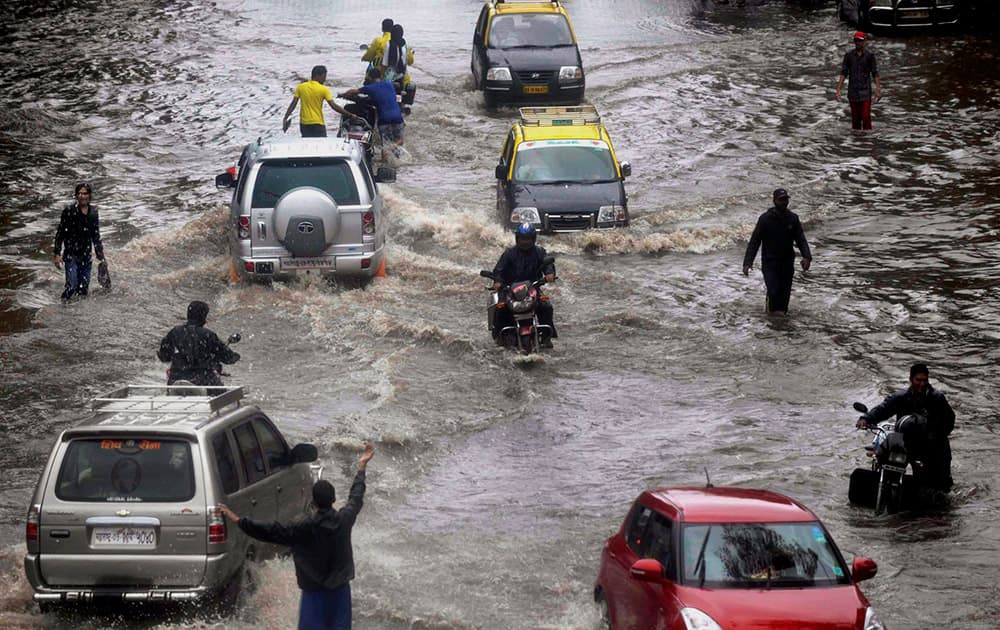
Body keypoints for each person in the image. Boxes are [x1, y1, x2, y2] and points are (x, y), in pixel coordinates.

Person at [218, 444, 375, 630]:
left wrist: (238, 520)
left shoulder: (302, 528)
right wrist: (362, 467)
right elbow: (356, 498)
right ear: (333, 500)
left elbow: (270, 531)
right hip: (340, 591)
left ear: (313, 502)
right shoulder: (344, 520)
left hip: (313, 595)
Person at [856, 363, 955, 492]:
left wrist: (936, 434)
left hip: (931, 443)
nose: (922, 383)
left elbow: (949, 421)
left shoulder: (937, 398)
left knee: (940, 485)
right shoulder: (900, 397)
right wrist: (866, 419)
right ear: (911, 379)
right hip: (905, 441)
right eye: (918, 380)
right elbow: (883, 409)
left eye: (924, 380)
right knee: (887, 459)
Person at [742, 188, 812, 315]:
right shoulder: (765, 219)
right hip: (770, 263)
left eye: (786, 199)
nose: (784, 202)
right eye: (781, 200)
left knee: (784, 296)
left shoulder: (793, 218)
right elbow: (754, 242)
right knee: (773, 291)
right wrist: (748, 263)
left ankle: (781, 325)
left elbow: (801, 239)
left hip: (787, 262)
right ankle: (770, 316)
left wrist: (807, 257)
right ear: (774, 201)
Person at [491, 223, 557, 347]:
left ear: (533, 239)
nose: (525, 242)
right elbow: (499, 270)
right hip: (510, 290)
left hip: (532, 289)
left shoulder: (539, 252)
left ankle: (546, 336)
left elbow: (547, 264)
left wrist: (549, 274)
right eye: (522, 239)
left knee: (546, 306)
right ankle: (500, 335)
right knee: (501, 309)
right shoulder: (509, 253)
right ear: (517, 238)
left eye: (528, 239)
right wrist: (498, 281)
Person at [157, 300, 240, 386]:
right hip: (203, 381)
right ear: (203, 317)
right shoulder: (208, 335)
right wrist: (234, 356)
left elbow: (164, 356)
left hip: (176, 380)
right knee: (225, 395)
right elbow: (227, 357)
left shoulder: (174, 332)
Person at [53, 183, 106, 301]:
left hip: (86, 256)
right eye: (79, 193)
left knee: (83, 291)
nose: (82, 196)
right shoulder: (68, 211)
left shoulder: (93, 212)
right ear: (76, 196)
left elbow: (96, 236)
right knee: (71, 286)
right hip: (71, 255)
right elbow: (60, 233)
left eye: (85, 193)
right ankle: (62, 307)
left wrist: (101, 257)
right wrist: (57, 253)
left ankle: (77, 315)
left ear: (89, 195)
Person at [339, 67, 405, 159]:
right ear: (381, 76)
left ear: (369, 78)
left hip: (384, 119)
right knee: (399, 140)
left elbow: (353, 91)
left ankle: (384, 163)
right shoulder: (389, 84)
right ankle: (395, 156)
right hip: (397, 117)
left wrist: (342, 95)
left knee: (385, 145)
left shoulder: (369, 88)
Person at [282, 65, 359, 137]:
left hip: (304, 124)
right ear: (318, 76)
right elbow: (334, 106)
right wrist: (350, 115)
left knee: (308, 146)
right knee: (321, 146)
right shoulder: (323, 89)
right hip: (318, 123)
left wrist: (285, 118)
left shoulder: (301, 87)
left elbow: (293, 105)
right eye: (324, 77)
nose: (325, 79)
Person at [836, 31, 881, 130]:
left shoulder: (870, 56)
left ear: (865, 41)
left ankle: (867, 141)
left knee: (866, 118)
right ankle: (857, 142)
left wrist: (878, 89)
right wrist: (838, 89)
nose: (858, 43)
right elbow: (844, 73)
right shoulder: (849, 56)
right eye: (856, 40)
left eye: (860, 41)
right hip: (853, 92)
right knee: (855, 121)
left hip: (865, 92)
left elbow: (874, 73)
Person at [362, 18, 394, 84]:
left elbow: (369, 56)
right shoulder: (399, 42)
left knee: (367, 81)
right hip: (395, 72)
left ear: (382, 28)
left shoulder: (378, 41)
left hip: (380, 72)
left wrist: (364, 58)